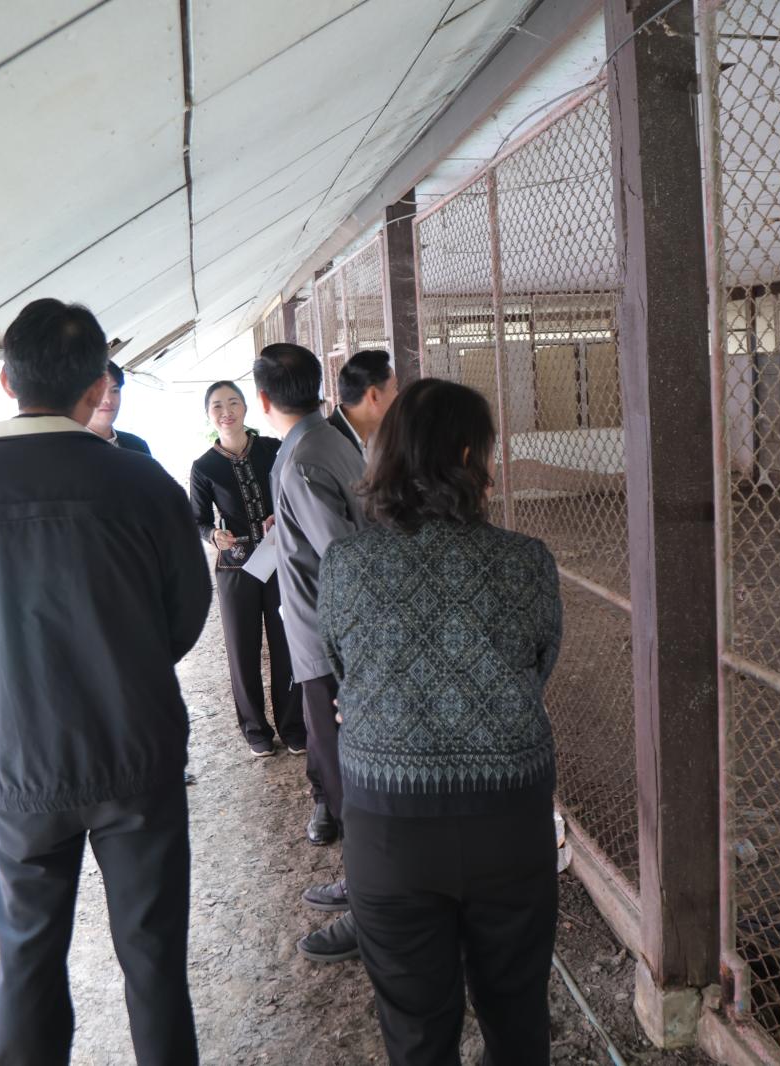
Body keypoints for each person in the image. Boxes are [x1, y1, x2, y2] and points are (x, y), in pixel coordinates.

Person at [0, 298, 211, 1066]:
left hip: (18, 759)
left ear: (7, 382)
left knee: (27, 959)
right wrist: (124, 658)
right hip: (135, 752)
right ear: (96, 388)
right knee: (154, 960)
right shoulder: (143, 483)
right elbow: (184, 618)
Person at [319, 378, 563, 1065]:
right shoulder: (526, 561)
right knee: (517, 1018)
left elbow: (343, 671)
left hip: (388, 831)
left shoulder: (346, 565)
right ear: (465, 456)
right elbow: (536, 667)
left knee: (417, 1033)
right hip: (508, 825)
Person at [254, 342, 367, 960]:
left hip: (329, 641)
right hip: (331, 635)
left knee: (344, 764)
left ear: (263, 399)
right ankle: (369, 882)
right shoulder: (327, 439)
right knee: (342, 759)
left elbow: (343, 555)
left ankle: (369, 894)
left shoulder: (300, 459)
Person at [188, 380, 305, 758]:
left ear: (246, 407)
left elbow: (293, 493)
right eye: (217, 406)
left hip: (278, 561)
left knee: (286, 644)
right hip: (235, 570)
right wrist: (213, 535)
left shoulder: (272, 449)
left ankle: (293, 726)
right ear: (208, 414)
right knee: (243, 651)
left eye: (233, 402)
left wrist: (281, 516)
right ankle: (256, 730)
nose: (227, 412)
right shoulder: (204, 467)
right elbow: (198, 520)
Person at [327, 348, 398, 456]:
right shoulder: (329, 449)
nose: (398, 396)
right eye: (395, 388)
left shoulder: (373, 439)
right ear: (374, 396)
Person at [87, 360, 152, 454]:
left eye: (115, 391)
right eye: (99, 391)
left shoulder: (137, 445)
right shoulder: (66, 448)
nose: (108, 399)